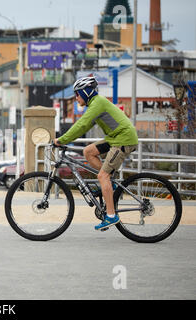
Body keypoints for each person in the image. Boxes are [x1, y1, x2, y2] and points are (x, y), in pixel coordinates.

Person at [53, 76, 138, 231]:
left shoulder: (97, 103)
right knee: (88, 151)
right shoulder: (95, 104)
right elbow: (83, 126)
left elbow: (82, 125)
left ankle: (111, 216)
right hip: (115, 138)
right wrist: (65, 139)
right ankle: (110, 184)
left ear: (85, 92)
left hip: (123, 139)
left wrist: (61, 140)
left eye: (77, 93)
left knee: (102, 176)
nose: (76, 97)